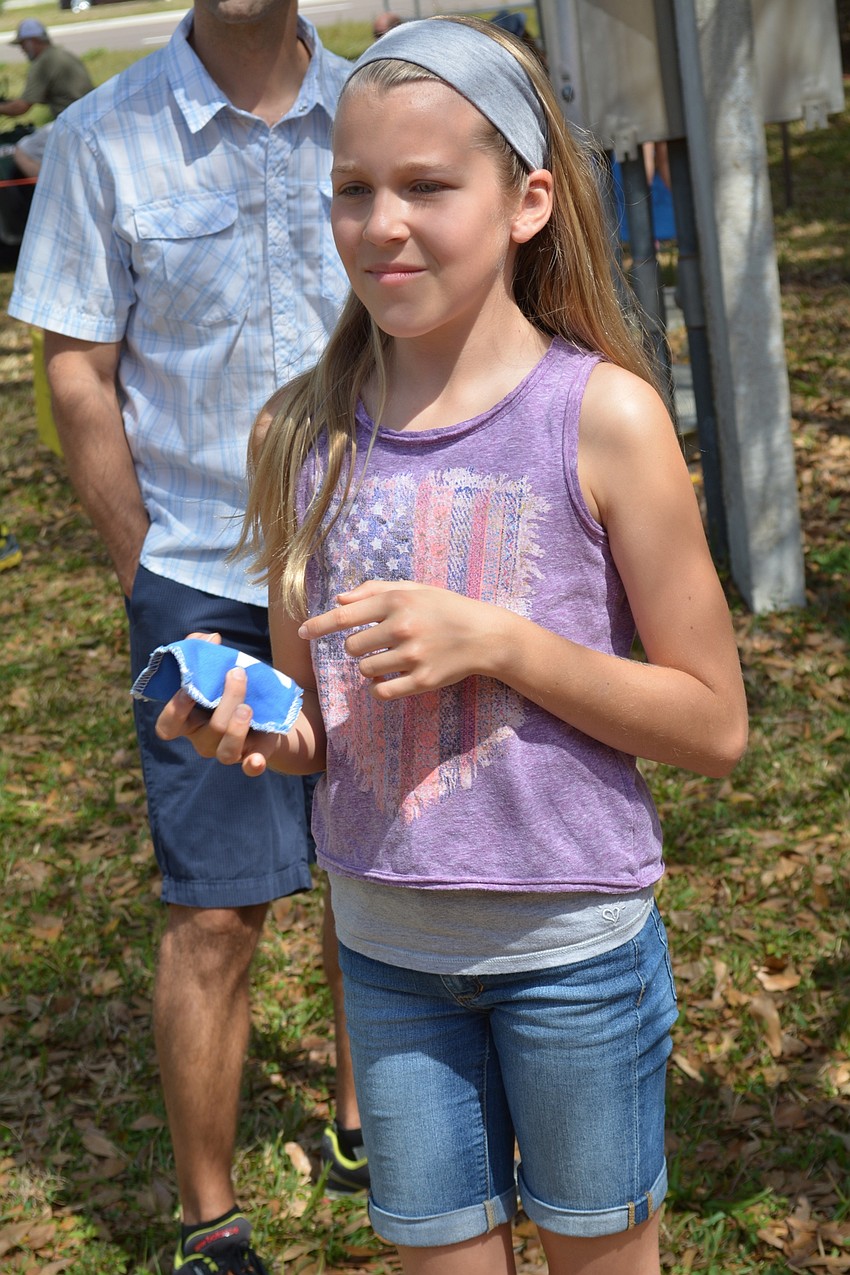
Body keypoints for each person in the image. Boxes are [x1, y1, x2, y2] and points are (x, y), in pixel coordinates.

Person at [155, 15, 749, 1275]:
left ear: (527, 200)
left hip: (572, 959)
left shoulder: (603, 419)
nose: (382, 224)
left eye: (427, 186)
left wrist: (501, 643)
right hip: (386, 960)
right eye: (353, 190)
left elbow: (713, 723)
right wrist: (256, 729)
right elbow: (324, 725)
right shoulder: (297, 437)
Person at [7, 0, 367, 1269]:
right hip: (206, 573)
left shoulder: (378, 111)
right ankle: (209, 1219)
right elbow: (73, 367)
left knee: (379, 865)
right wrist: (141, 569)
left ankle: (361, 1113)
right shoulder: (106, 140)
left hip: (374, 561)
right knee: (219, 909)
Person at [0, 20, 93, 177]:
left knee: (22, 151)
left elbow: (21, 107)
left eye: (22, 44)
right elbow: (47, 96)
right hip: (87, 118)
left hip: (71, 123)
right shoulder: (61, 54)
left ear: (31, 42)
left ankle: (50, 195)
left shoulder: (43, 62)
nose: (22, 50)